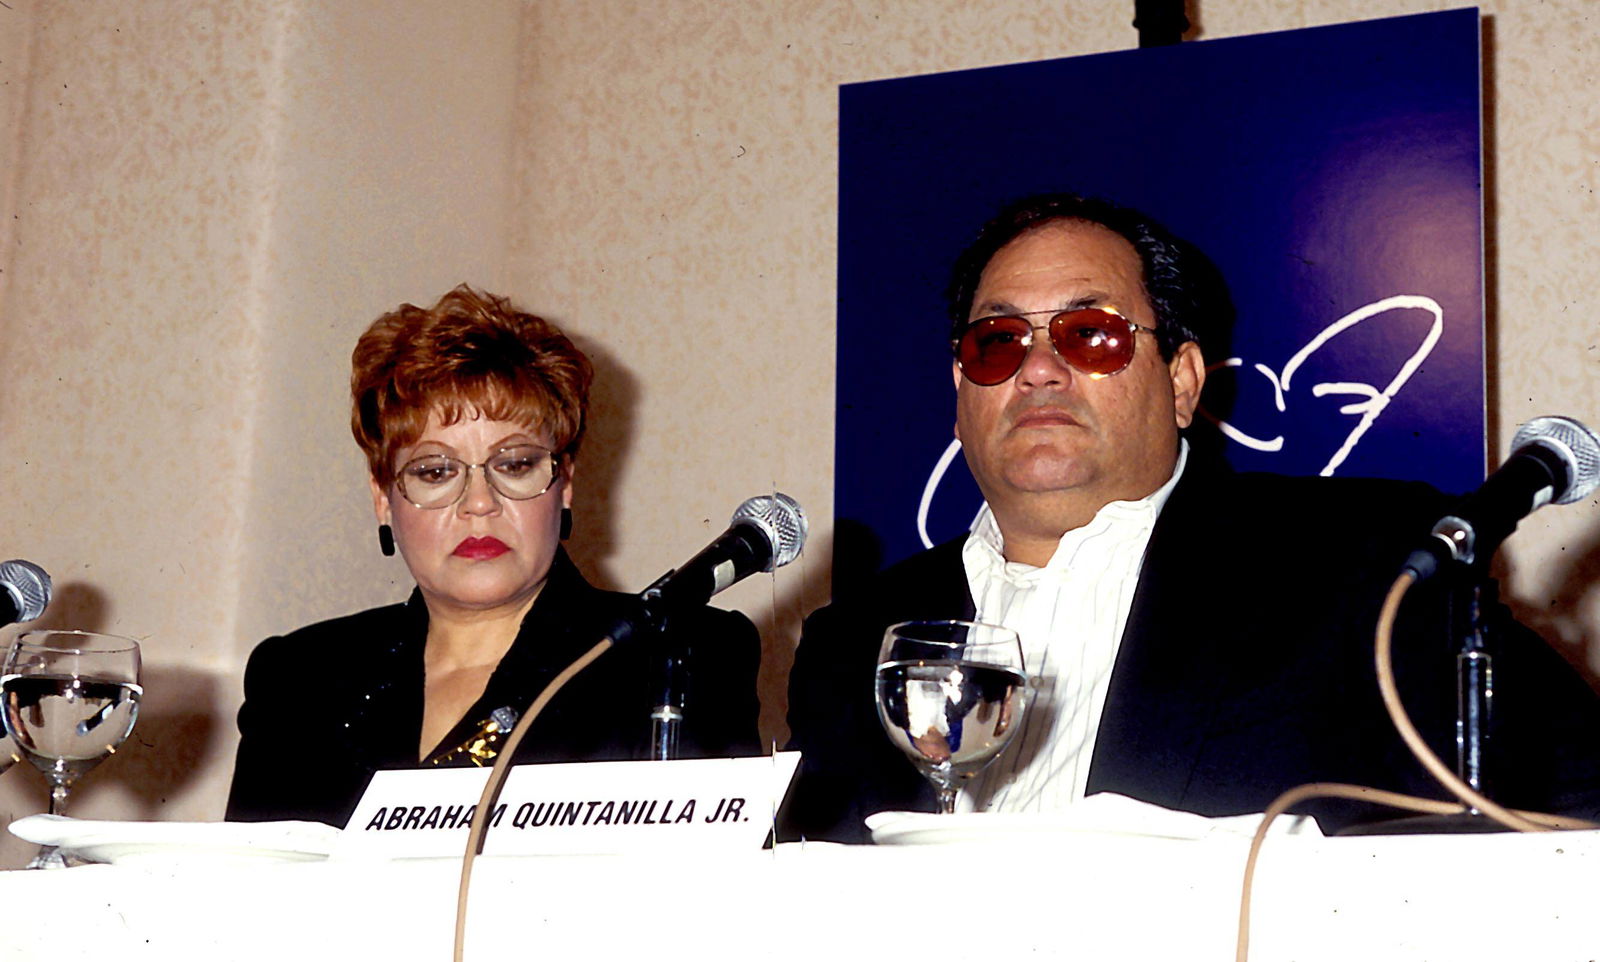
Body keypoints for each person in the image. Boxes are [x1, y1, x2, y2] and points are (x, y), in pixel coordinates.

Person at [781, 194, 1600, 842]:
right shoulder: (852, 641)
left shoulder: (1363, 563)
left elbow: (1577, 795)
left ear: (1181, 382)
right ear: (961, 397)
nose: (1038, 369)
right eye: (997, 343)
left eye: (1090, 333)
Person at [228, 285, 761, 827]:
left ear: (565, 483)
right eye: (435, 472)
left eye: (514, 465)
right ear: (382, 498)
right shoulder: (297, 678)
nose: (479, 504)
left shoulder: (682, 654)